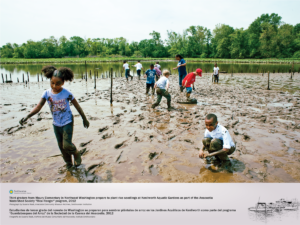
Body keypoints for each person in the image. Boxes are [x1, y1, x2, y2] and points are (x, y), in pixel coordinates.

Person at [19, 66, 90, 170]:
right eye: (52, 82)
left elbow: (77, 106)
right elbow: (38, 107)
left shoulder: (67, 93)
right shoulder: (47, 93)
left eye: (58, 83)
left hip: (67, 121)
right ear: (50, 80)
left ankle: (76, 153)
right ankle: (69, 164)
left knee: (67, 145)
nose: (54, 86)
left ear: (63, 83)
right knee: (61, 146)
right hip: (56, 123)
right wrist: (27, 116)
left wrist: (84, 118)